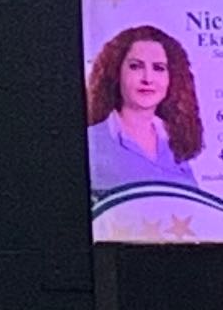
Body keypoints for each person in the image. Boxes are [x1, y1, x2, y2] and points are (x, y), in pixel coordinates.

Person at [85, 25, 207, 196]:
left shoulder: (175, 140)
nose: (148, 79)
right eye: (135, 66)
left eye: (158, 68)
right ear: (115, 73)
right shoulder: (92, 142)